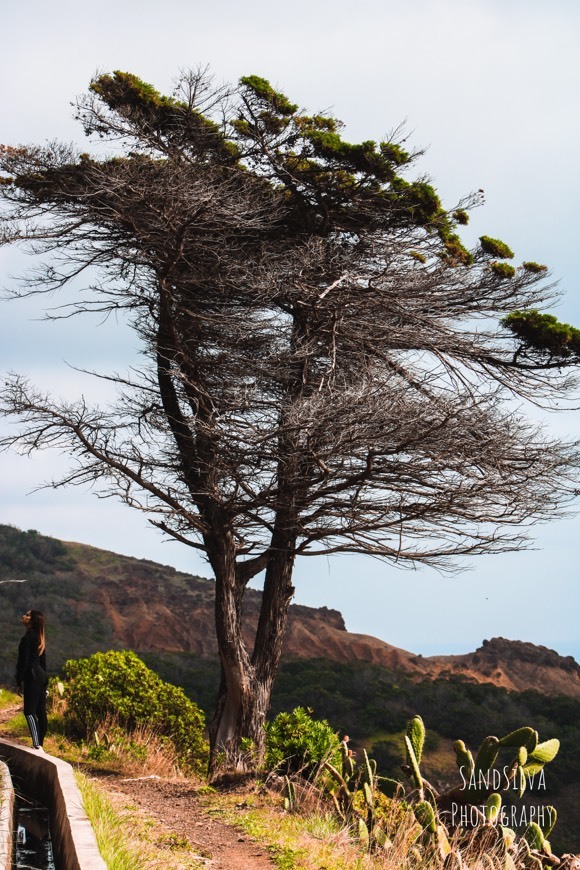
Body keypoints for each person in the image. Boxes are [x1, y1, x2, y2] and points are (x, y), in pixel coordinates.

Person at [15, 609, 48, 750]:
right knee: (40, 711)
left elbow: (24, 662)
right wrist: (45, 680)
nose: (24, 616)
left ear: (32, 621)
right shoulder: (39, 637)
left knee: (29, 712)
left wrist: (19, 681)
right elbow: (43, 661)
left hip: (33, 676)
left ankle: (36, 744)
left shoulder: (28, 638)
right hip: (41, 676)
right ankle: (40, 743)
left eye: (28, 615)